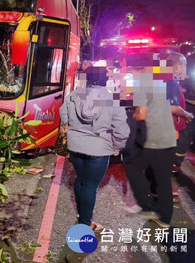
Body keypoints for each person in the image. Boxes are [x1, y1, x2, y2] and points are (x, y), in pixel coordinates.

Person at [60, 66, 130, 231]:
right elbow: (121, 129)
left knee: (80, 179)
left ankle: (82, 213)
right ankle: (85, 222)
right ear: (105, 80)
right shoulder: (111, 100)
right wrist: (117, 146)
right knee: (90, 185)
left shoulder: (75, 95)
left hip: (75, 147)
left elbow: (64, 116)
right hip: (99, 149)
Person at [123, 53, 177, 228]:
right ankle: (164, 218)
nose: (131, 73)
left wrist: (133, 114)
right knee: (163, 178)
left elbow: (142, 115)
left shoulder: (142, 85)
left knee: (132, 167)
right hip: (167, 138)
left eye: (132, 70)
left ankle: (145, 206)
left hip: (153, 139)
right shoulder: (161, 84)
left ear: (141, 69)